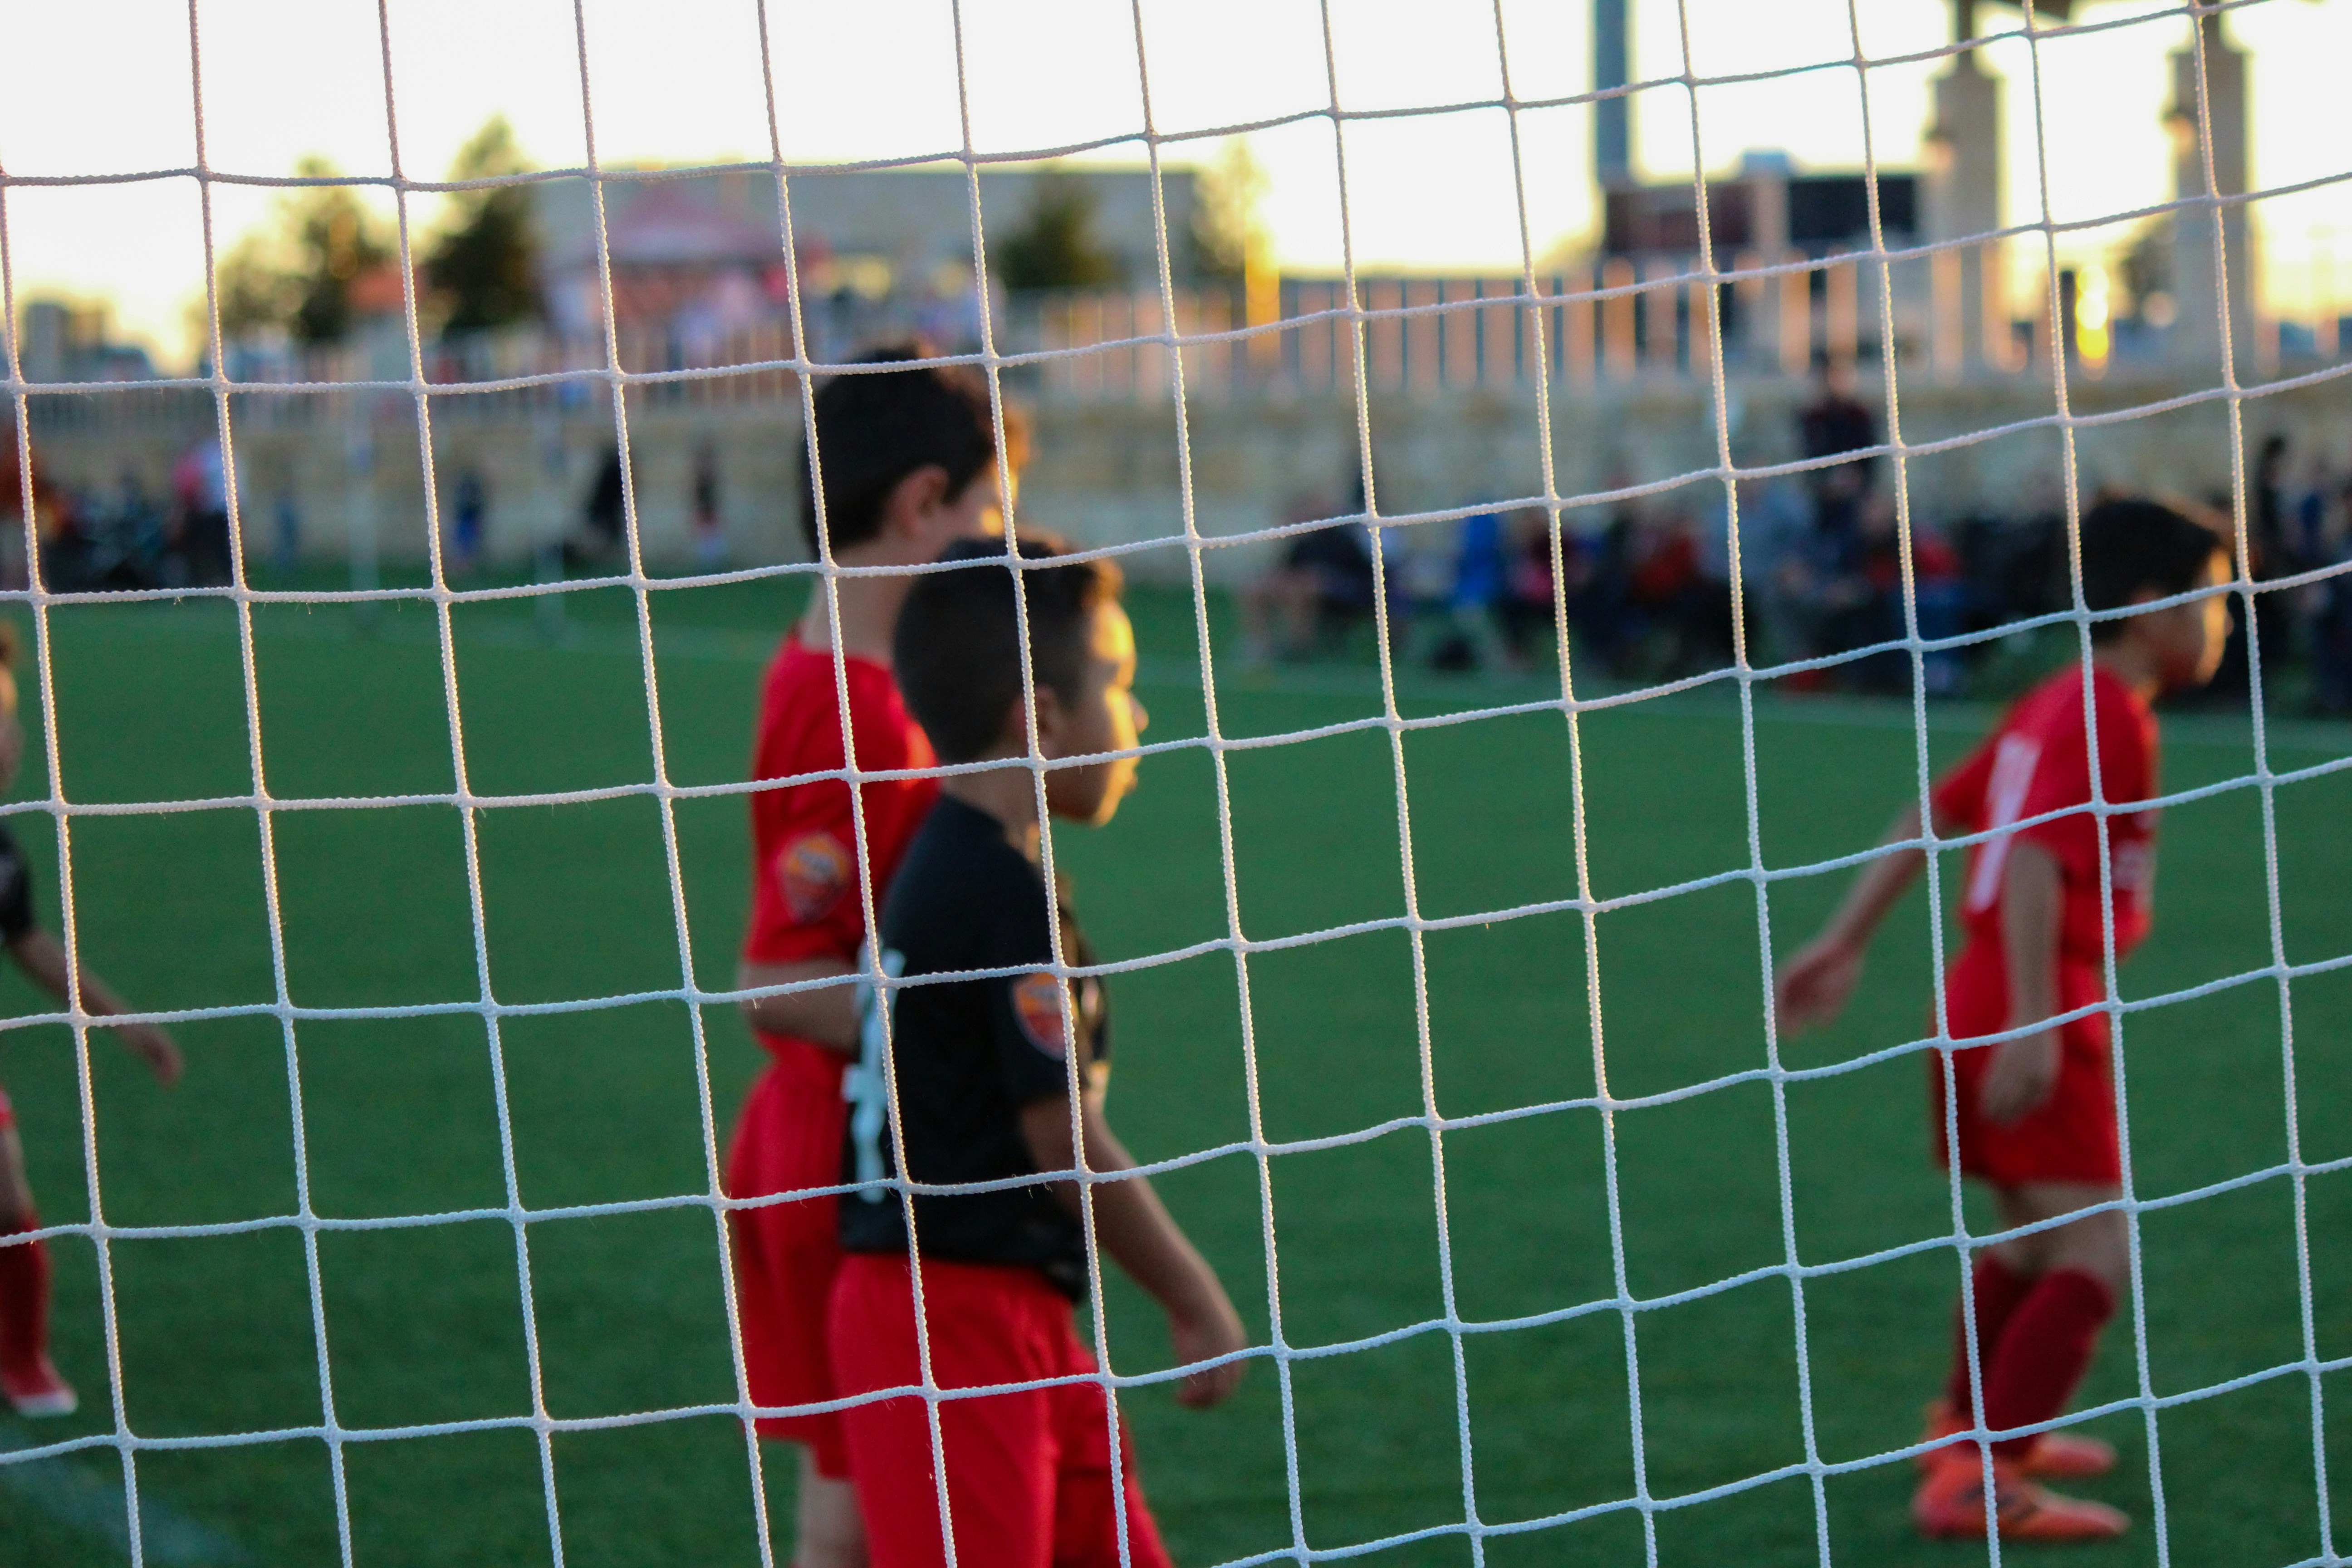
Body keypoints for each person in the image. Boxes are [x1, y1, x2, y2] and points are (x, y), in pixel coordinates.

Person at [1774, 497, 2232, 1541]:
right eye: (2214, 600)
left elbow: (1931, 813)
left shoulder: (2051, 699)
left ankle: (1968, 1434)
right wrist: (2034, 1020)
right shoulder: (2107, 712)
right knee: (2097, 1246)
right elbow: (2030, 855)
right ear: (2151, 605)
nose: (2227, 623)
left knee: (2031, 1236)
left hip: (1978, 989)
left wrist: (1842, 940)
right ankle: (1985, 1477)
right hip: (2033, 993)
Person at [830, 535, 1246, 1568]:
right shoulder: (993, 888)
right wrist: (1191, 1296)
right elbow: (1060, 1134)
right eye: (1119, 682)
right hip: (944, 1318)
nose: (1139, 716)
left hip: (1012, 1309)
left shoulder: (972, 862)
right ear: (1044, 715)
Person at [728, 345, 1019, 1568]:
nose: (996, 542)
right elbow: (779, 986)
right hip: (837, 1163)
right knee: (885, 1514)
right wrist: (976, 1031)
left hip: (855, 1149)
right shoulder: (845, 710)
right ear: (920, 506)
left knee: (854, 1511)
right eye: (984, 514)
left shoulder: (862, 681)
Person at [0, 624, 182, 1416]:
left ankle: (21, 1360)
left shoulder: (2, 853)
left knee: (8, 1202)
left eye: (11, 715)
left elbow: (29, 942)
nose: (14, 738)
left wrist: (123, 1023)